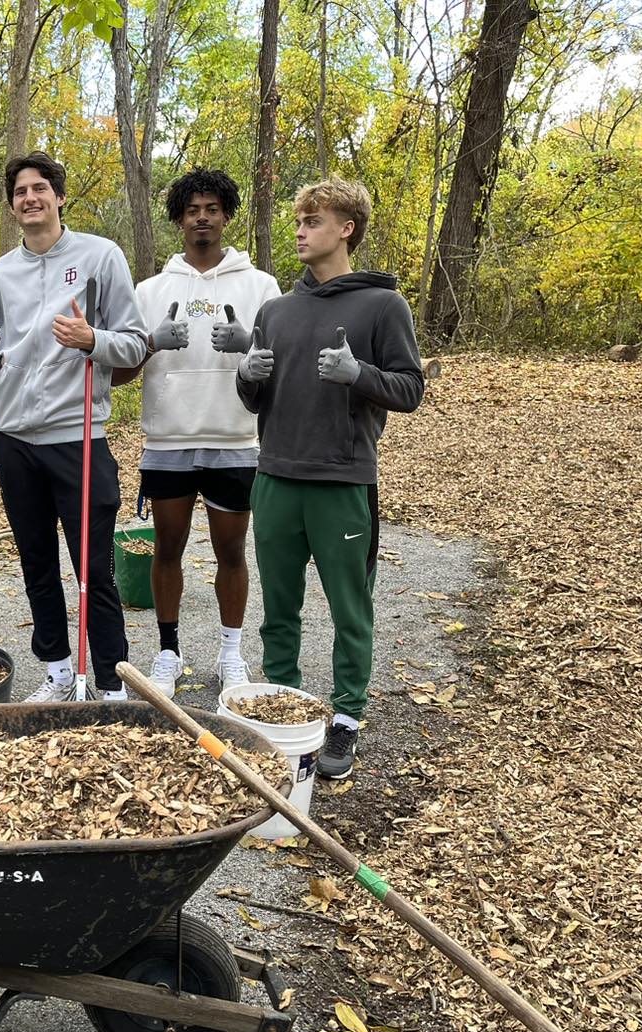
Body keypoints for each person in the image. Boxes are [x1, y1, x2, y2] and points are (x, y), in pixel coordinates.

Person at [235, 176, 424, 779]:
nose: (299, 230)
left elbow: (410, 389)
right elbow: (253, 401)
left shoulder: (383, 306)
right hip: (275, 477)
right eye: (298, 221)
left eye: (313, 221)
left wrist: (358, 373)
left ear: (346, 229)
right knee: (279, 607)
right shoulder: (276, 311)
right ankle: (280, 708)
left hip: (342, 481)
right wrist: (248, 373)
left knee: (350, 608)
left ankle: (345, 718)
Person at [0, 152, 146, 701]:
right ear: (12, 204)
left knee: (93, 562)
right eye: (20, 191)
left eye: (40, 188)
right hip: (14, 437)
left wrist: (94, 341)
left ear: (60, 197)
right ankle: (59, 670)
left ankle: (111, 678)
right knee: (36, 558)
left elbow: (135, 341)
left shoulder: (100, 257)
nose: (30, 198)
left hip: (79, 436)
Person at [116, 168, 280, 697]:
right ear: (179, 219)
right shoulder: (150, 289)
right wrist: (150, 340)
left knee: (233, 553)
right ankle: (168, 653)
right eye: (192, 210)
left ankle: (231, 655)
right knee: (168, 548)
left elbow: (279, 362)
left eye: (212, 208)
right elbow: (123, 366)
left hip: (236, 437)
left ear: (227, 214)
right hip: (168, 439)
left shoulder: (260, 285)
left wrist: (249, 342)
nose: (202, 217)